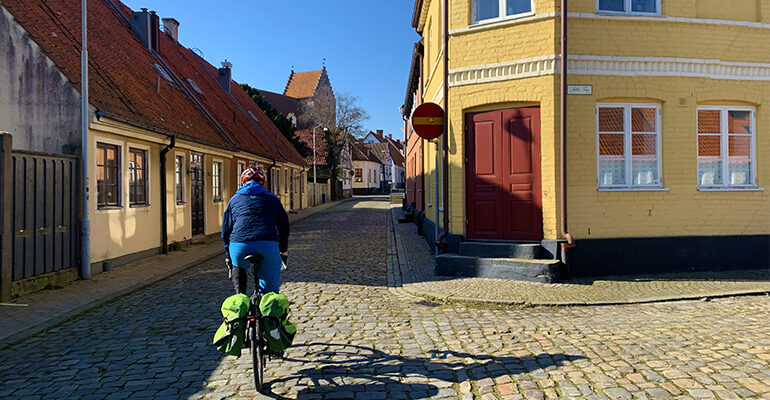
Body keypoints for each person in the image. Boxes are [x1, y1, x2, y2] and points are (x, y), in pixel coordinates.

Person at [222, 166, 289, 295]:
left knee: (238, 266)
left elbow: (226, 230)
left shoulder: (234, 200)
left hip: (239, 246)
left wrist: (227, 254)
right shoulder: (272, 199)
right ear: (263, 183)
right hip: (267, 244)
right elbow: (284, 226)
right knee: (270, 291)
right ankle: (268, 304)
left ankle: (240, 296)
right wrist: (283, 250)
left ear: (243, 182)